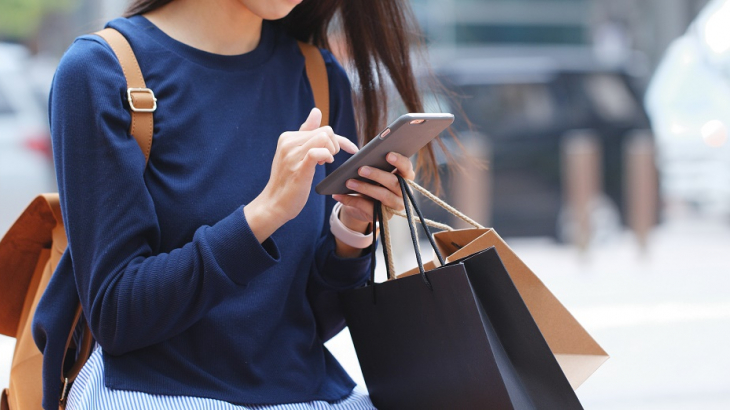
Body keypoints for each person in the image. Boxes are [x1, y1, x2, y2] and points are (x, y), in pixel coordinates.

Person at [31, 0, 446, 409]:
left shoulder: (318, 75)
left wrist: (352, 229)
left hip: (310, 393)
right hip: (154, 392)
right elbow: (117, 315)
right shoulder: (103, 70)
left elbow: (314, 322)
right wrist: (264, 214)